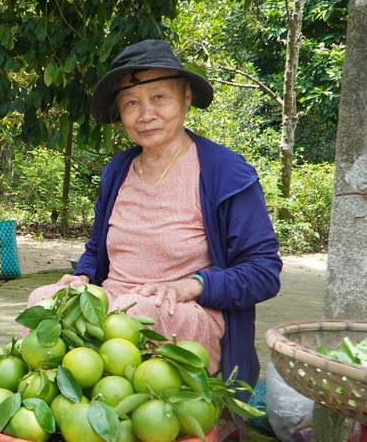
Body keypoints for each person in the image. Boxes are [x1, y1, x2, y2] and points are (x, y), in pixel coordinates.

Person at [28, 39, 282, 387]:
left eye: (159, 97)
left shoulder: (225, 172)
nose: (145, 114)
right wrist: (83, 276)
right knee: (43, 302)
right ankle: (83, 390)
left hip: (184, 312)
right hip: (113, 304)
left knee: (137, 311)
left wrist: (193, 285)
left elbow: (263, 271)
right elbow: (96, 249)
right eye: (132, 102)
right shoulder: (117, 171)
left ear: (186, 97)